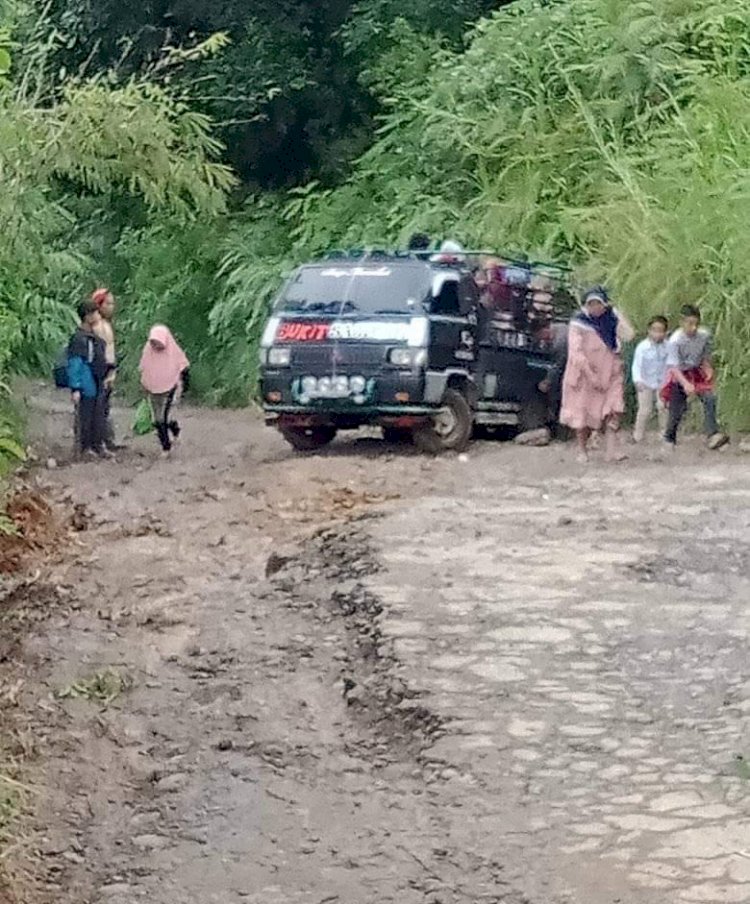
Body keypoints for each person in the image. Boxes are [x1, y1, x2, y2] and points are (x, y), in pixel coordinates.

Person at [560, 286, 635, 463]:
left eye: (598, 303)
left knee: (614, 409)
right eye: (591, 303)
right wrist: (590, 374)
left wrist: (618, 315)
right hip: (585, 376)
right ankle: (582, 450)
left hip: (611, 372)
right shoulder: (579, 323)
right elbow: (575, 353)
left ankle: (612, 451)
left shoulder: (611, 319)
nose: (595, 307)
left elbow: (629, 335)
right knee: (582, 414)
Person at [661, 304, 729, 451]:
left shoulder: (704, 336)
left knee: (709, 398)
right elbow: (673, 366)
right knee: (677, 409)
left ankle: (712, 434)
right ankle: (669, 438)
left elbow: (705, 356)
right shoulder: (675, 341)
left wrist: (708, 368)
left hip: (696, 372)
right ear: (682, 322)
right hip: (679, 373)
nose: (693, 328)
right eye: (690, 323)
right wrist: (685, 384)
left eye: (696, 324)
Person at [67, 300, 111, 459]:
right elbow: (75, 364)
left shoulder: (93, 337)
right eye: (95, 313)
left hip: (97, 380)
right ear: (87, 316)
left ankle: (98, 445)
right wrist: (76, 387)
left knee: (98, 415)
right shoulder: (79, 339)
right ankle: (85, 448)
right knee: (85, 416)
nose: (98, 316)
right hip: (86, 383)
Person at [139, 325, 190, 457]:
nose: (155, 345)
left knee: (162, 418)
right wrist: (144, 385)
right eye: (153, 342)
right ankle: (173, 431)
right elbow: (144, 368)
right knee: (158, 419)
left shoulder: (174, 352)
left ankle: (165, 447)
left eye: (158, 341)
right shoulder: (148, 351)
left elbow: (184, 368)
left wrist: (182, 387)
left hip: (170, 387)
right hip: (153, 389)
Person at [91, 287, 121, 451]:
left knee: (104, 408)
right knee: (99, 408)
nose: (112, 307)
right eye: (108, 303)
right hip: (101, 372)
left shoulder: (105, 325)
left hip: (108, 371)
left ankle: (106, 440)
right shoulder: (97, 327)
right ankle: (98, 443)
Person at [631, 315, 669, 443]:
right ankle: (638, 435)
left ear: (665, 332)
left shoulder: (668, 347)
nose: (657, 334)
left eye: (660, 331)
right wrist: (637, 380)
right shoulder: (642, 347)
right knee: (645, 409)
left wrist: (669, 382)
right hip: (645, 382)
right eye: (654, 330)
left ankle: (664, 434)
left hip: (662, 382)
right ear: (649, 330)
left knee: (663, 407)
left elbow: (671, 365)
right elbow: (636, 365)